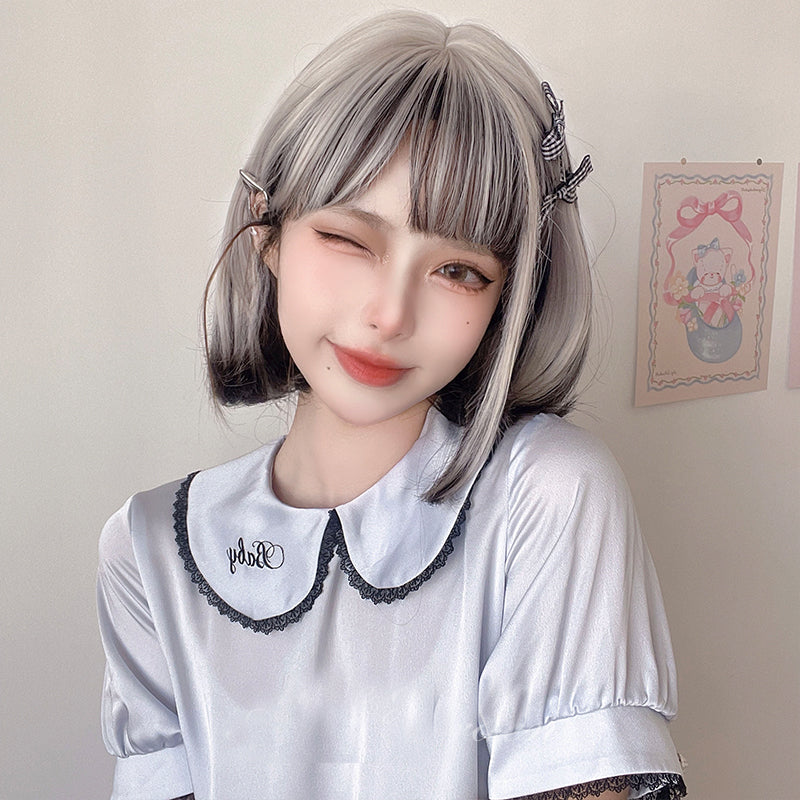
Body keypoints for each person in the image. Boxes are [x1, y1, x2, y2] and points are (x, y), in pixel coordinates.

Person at [97, 11, 686, 800]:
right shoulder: (147, 549)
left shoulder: (548, 494)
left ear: (508, 301)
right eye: (350, 239)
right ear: (268, 231)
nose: (390, 314)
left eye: (459, 271)